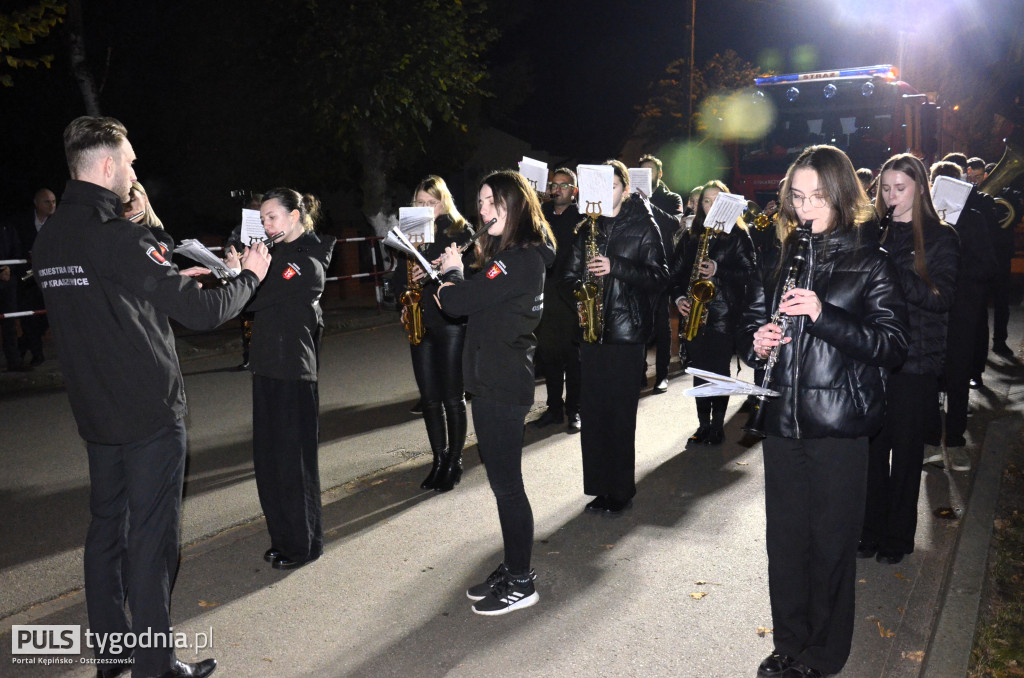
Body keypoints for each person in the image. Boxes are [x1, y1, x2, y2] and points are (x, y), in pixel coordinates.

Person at [33, 116, 271, 678]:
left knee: (106, 533)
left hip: (95, 412)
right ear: (109, 165)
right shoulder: (119, 236)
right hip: (148, 412)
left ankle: (113, 659)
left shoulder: (52, 239)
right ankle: (153, 667)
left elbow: (105, 301)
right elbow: (204, 312)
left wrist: (160, 276)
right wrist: (251, 277)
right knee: (151, 543)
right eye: (132, 160)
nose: (136, 169)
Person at [740, 145, 908, 678]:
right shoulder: (783, 256)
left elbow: (891, 345)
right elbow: (754, 327)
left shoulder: (871, 260)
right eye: (797, 196)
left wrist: (823, 313)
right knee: (785, 545)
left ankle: (823, 656)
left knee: (830, 548)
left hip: (839, 427)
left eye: (818, 197)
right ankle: (789, 643)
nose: (806, 208)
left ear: (839, 198)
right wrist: (759, 343)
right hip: (782, 423)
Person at [435, 170, 555, 615]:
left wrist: (449, 275)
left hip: (502, 384)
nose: (481, 211)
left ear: (514, 205)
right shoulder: (513, 257)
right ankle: (512, 566)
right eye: (481, 203)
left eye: (490, 202)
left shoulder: (521, 259)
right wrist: (460, 274)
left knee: (508, 488)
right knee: (503, 485)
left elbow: (457, 304)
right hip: (495, 381)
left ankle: (522, 580)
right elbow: (481, 300)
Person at [860, 153, 959, 565]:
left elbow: (941, 299)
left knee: (904, 455)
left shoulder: (941, 237)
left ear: (920, 188)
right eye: (885, 188)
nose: (890, 196)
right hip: (872, 355)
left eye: (899, 188)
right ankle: (870, 531)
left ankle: (897, 538)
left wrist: (893, 271)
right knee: (869, 450)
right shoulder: (872, 232)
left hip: (915, 360)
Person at [561, 160, 668, 515]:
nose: (605, 194)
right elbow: (568, 275)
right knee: (593, 414)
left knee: (619, 416)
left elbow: (659, 276)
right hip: (591, 331)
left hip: (627, 332)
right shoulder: (585, 226)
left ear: (624, 188)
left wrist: (615, 267)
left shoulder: (643, 224)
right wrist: (580, 294)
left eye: (611, 187)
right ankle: (598, 488)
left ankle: (620, 492)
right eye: (599, 187)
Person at [238, 187, 335, 570]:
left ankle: (304, 544)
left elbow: (254, 298)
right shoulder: (275, 254)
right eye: (262, 219)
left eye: (272, 218)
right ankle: (283, 538)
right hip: (266, 365)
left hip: (293, 371)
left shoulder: (306, 260)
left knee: (294, 465)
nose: (266, 225)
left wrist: (244, 273)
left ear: (295, 217)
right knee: (269, 462)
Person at [391, 175, 472, 490]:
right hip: (419, 318)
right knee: (429, 398)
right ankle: (438, 458)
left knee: (453, 396)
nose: (425, 208)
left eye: (431, 203)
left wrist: (432, 271)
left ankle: (455, 460)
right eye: (420, 203)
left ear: (443, 202)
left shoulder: (459, 231)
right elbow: (400, 279)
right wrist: (404, 295)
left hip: (449, 320)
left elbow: (466, 277)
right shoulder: (410, 233)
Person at [922, 160, 996, 472]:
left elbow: (986, 267)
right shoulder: (921, 220)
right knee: (926, 375)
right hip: (927, 312)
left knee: (957, 375)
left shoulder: (974, 219)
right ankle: (928, 440)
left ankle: (954, 439)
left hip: (961, 311)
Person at [671, 180, 755, 445]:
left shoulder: (739, 235)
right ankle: (703, 425)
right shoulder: (691, 236)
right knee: (699, 371)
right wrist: (679, 298)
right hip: (694, 312)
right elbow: (674, 275)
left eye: (718, 199)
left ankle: (717, 426)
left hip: (724, 312)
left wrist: (719, 270)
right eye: (706, 200)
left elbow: (751, 273)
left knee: (718, 371)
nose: (711, 205)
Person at [533, 168, 583, 433]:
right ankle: (554, 409)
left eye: (564, 185)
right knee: (549, 356)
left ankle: (574, 410)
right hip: (546, 292)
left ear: (574, 191)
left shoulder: (584, 216)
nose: (557, 189)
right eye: (554, 184)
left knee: (573, 358)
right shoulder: (540, 215)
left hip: (572, 295)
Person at [639, 154, 684, 393]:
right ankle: (640, 371)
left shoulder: (670, 197)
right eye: (642, 171)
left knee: (661, 323)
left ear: (659, 174)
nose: (647, 176)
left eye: (651, 171)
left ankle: (662, 374)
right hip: (638, 265)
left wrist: (648, 203)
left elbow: (674, 224)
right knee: (638, 320)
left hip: (661, 264)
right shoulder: (632, 196)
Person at [15, 188, 57, 367]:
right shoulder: (22, 222)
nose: (52, 205)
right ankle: (37, 354)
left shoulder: (59, 223)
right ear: (36, 203)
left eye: (54, 201)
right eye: (47, 202)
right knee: (29, 316)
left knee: (46, 317)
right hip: (28, 279)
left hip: (50, 278)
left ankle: (23, 344)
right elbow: (16, 245)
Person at [0, 218, 26, 371]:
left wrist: (9, 268)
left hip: (8, 281)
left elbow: (17, 249)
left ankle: (14, 361)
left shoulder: (7, 226)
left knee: (10, 323)